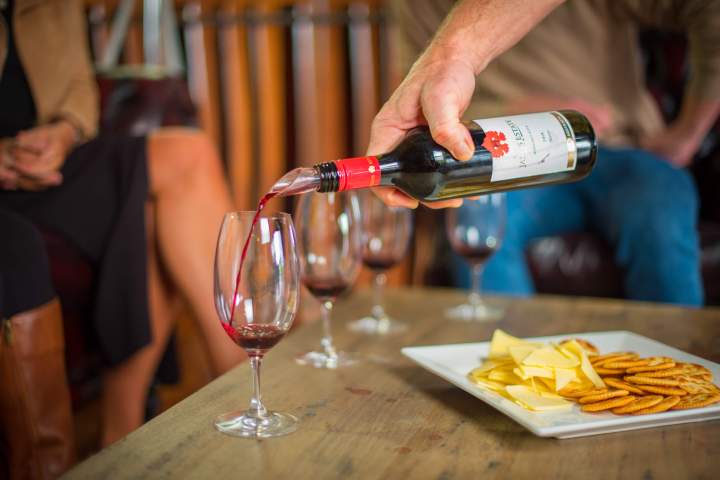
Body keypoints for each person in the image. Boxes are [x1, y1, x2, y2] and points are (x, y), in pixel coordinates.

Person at [0, 0, 244, 448]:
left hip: (48, 162)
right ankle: (130, 432)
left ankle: (241, 382)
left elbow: (78, 85)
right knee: (143, 204)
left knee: (187, 157)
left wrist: (65, 131)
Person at [371, 0, 720, 305]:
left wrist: (688, 132)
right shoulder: (415, 6)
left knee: (660, 201)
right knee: (478, 216)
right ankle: (509, 370)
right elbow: (424, 94)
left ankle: (677, 371)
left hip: (619, 150)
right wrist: (513, 107)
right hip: (506, 163)